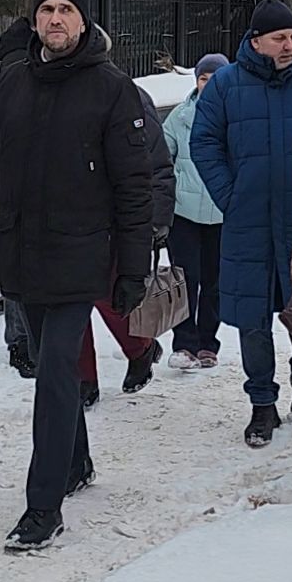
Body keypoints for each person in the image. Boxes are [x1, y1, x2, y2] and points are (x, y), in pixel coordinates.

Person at [0, 0, 153, 552]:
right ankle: (76, 461)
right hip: (22, 255)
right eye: (47, 11)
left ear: (83, 21)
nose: (55, 20)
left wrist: (134, 266)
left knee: (57, 374)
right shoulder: (11, 84)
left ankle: (44, 506)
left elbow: (133, 185)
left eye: (66, 10)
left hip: (82, 255)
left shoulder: (111, 88)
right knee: (52, 367)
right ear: (33, 21)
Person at [192, 0, 292, 448]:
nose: (289, 45)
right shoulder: (226, 84)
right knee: (253, 320)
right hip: (247, 223)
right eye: (279, 38)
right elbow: (203, 142)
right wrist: (231, 196)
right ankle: (261, 404)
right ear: (256, 41)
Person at [76, 70, 177, 406]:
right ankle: (83, 381)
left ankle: (141, 348)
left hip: (117, 222)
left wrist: (156, 221)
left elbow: (158, 166)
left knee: (110, 297)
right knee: (69, 303)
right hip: (66, 219)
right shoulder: (49, 95)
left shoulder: (127, 96)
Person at [163, 53, 228, 369]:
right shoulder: (179, 117)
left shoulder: (237, 117)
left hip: (221, 213)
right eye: (204, 78)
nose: (209, 85)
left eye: (216, 79)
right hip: (184, 212)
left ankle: (208, 343)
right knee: (184, 279)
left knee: (214, 281)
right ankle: (184, 343)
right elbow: (163, 158)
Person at [0, 17, 38, 380]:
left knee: (15, 273)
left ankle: (21, 343)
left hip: (14, 193)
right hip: (19, 193)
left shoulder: (8, 77)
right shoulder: (21, 76)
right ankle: (24, 342)